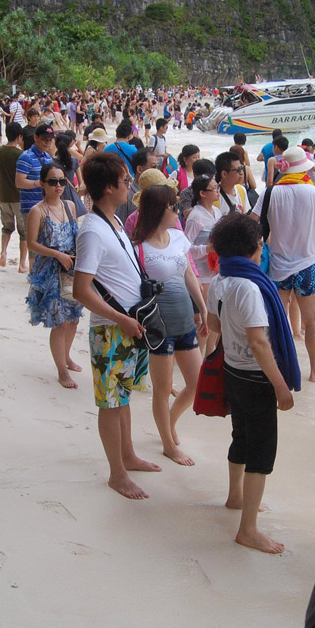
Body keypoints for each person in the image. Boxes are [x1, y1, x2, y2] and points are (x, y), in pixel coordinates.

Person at [206, 213, 300, 553]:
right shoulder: (249, 286)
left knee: (241, 436)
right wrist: (281, 386)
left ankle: (236, 497)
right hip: (256, 378)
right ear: (254, 248)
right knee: (261, 452)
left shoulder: (220, 279)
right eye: (261, 245)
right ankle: (248, 530)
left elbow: (213, 325)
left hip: (233, 370)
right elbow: (260, 343)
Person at [72, 152, 162, 500]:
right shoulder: (92, 230)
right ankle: (117, 474)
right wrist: (121, 318)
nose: (130, 185)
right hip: (111, 329)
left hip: (128, 325)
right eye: (125, 181)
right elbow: (81, 290)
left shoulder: (113, 222)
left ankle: (128, 456)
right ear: (109, 187)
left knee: (121, 396)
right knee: (110, 402)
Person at [131, 184, 208, 466]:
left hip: (185, 320)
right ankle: (167, 444)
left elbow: (189, 274)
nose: (178, 210)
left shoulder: (178, 237)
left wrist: (202, 309)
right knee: (162, 389)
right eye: (172, 206)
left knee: (196, 383)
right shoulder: (138, 248)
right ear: (157, 210)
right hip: (158, 328)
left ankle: (171, 421)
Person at [250, 150, 315, 382]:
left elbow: (251, 224)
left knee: (275, 323)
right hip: (308, 265)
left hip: (277, 266)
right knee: (313, 323)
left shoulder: (270, 192)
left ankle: (277, 371)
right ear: (305, 168)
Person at [25, 163, 84, 389]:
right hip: (50, 272)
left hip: (71, 270)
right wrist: (57, 254)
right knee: (59, 322)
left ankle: (66, 356)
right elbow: (32, 244)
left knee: (74, 317)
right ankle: (61, 369)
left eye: (61, 181)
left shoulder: (70, 205)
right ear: (43, 184)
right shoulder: (37, 211)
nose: (58, 186)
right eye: (53, 182)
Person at [0, 122, 28, 273]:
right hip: (18, 197)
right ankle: (22, 264)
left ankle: (3, 252)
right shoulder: (21, 155)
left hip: (3, 195)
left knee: (7, 227)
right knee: (24, 233)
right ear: (19, 136)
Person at [215, 151, 249, 216]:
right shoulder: (214, 197)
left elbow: (245, 215)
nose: (241, 173)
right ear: (224, 174)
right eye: (238, 170)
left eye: (241, 168)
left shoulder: (241, 190)